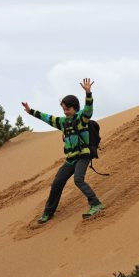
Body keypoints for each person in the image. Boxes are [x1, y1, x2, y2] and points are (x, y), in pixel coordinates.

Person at [22, 78, 104, 224]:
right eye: (63, 109)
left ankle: (96, 204)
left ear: (75, 108)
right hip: (70, 159)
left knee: (78, 179)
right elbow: (47, 118)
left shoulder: (82, 119)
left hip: (83, 156)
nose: (65, 112)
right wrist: (30, 111)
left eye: (67, 109)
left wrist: (88, 93)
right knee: (57, 182)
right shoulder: (62, 122)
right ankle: (48, 213)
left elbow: (89, 109)